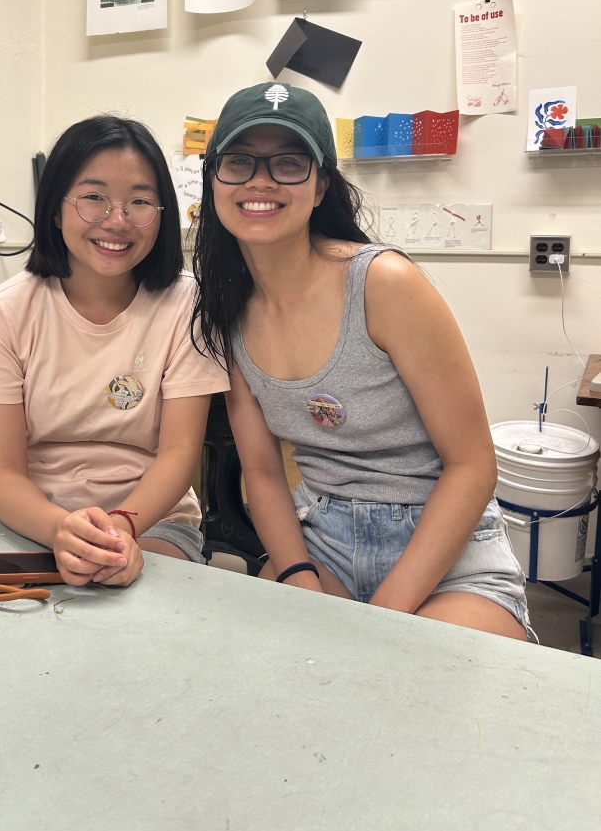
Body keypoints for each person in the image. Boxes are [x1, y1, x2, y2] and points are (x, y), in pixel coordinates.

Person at [191, 82, 531, 641]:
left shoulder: (381, 282)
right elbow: (263, 472)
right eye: (239, 161)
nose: (260, 180)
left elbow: (472, 467)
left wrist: (381, 618)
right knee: (282, 674)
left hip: (443, 546)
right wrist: (298, 576)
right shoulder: (226, 311)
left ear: (322, 183)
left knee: (422, 684)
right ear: (214, 177)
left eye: (288, 163)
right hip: (321, 537)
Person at [0, 115, 229, 587]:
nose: (118, 220)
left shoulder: (188, 305)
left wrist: (122, 527)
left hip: (152, 515)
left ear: (163, 212)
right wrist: (60, 529)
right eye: (94, 198)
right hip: (33, 514)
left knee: (144, 614)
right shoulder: (2, 314)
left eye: (140, 201)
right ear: (55, 207)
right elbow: (2, 476)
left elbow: (179, 454)